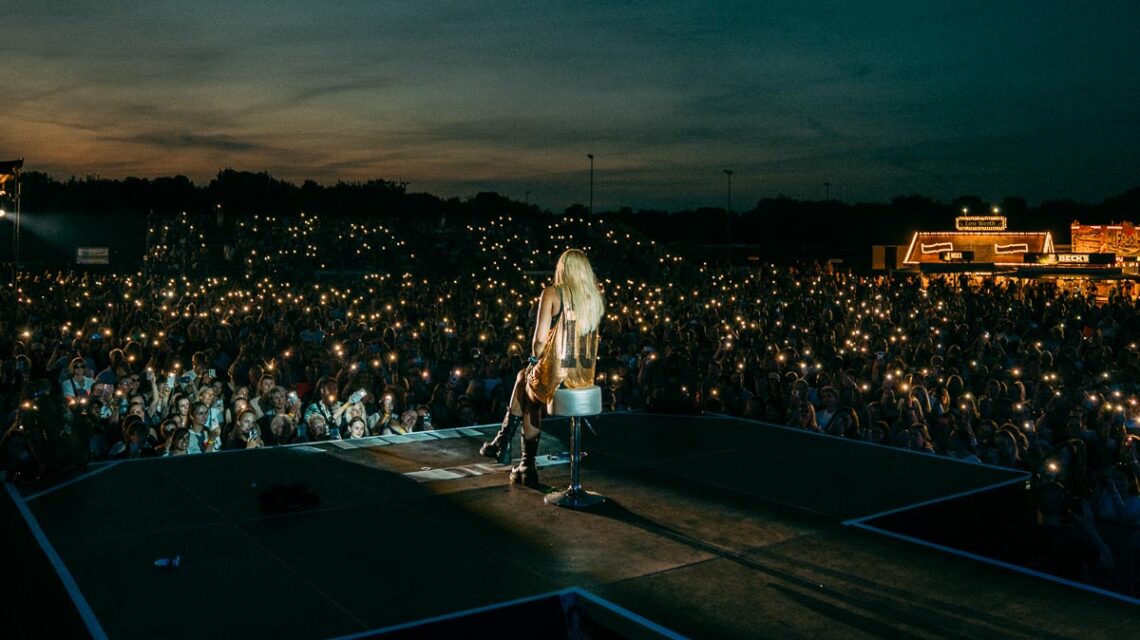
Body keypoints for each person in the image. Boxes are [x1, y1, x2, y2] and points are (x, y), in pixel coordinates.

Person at [480, 249, 604, 488]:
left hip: (560, 375)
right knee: (525, 378)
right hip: (583, 377)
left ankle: (521, 459)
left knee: (529, 389)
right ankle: (505, 445)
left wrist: (533, 360)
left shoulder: (552, 293)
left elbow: (538, 341)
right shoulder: (594, 298)